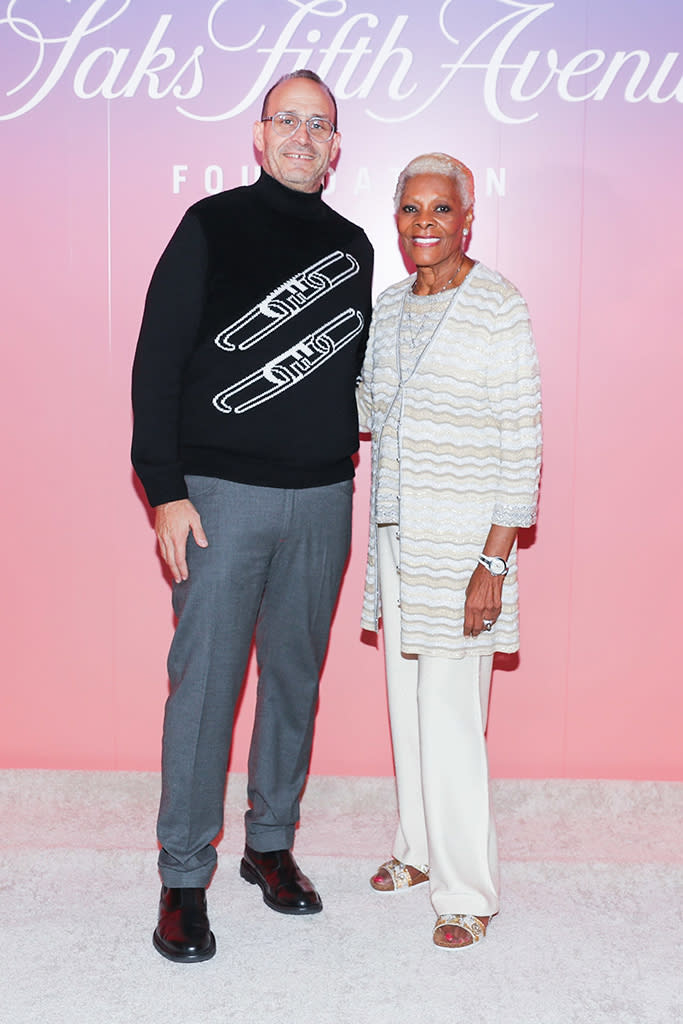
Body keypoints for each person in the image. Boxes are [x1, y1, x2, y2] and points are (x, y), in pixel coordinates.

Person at [131, 70, 373, 963]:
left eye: (321, 123)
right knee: (203, 692)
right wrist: (163, 487)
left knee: (294, 683)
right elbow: (156, 359)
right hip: (219, 497)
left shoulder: (354, 248)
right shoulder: (210, 226)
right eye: (288, 120)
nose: (304, 135)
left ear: (336, 146)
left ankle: (270, 845)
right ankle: (183, 876)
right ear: (260, 134)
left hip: (322, 497)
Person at [357, 153, 541, 949]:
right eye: (410, 209)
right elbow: (366, 406)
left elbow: (523, 440)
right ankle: (419, 850)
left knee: (452, 717)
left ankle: (467, 891)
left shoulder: (497, 305)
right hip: (397, 537)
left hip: (464, 546)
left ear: (468, 219)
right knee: (407, 706)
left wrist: (493, 560)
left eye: (440, 209)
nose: (423, 223)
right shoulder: (390, 305)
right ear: (395, 218)